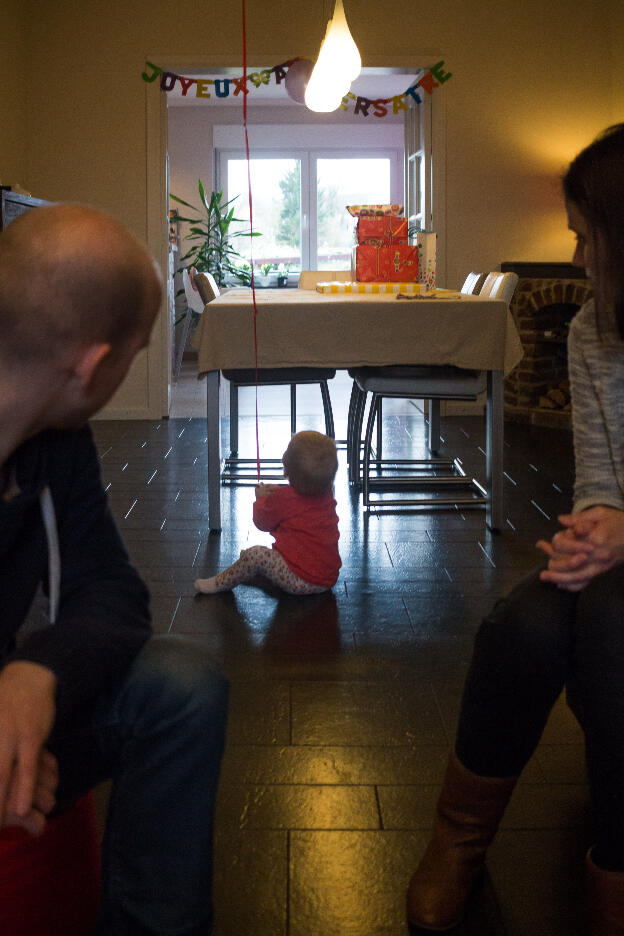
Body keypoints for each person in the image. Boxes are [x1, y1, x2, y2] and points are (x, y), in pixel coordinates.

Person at [406, 123, 624, 936]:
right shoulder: (592, 329)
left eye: (585, 234)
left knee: (610, 626)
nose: (576, 257)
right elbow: (601, 472)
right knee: (522, 625)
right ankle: (458, 844)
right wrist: (594, 526)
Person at [0, 203, 229, 935]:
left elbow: (111, 591)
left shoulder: (52, 438)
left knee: (183, 685)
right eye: (135, 353)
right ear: (97, 364)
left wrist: (39, 674)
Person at [195, 430, 341, 595]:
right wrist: (279, 492)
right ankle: (254, 572)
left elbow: (262, 522)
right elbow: (300, 501)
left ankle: (219, 583)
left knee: (254, 556)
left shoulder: (283, 499)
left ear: (286, 468)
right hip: (327, 579)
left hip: (301, 580)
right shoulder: (327, 495)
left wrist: (261, 499)